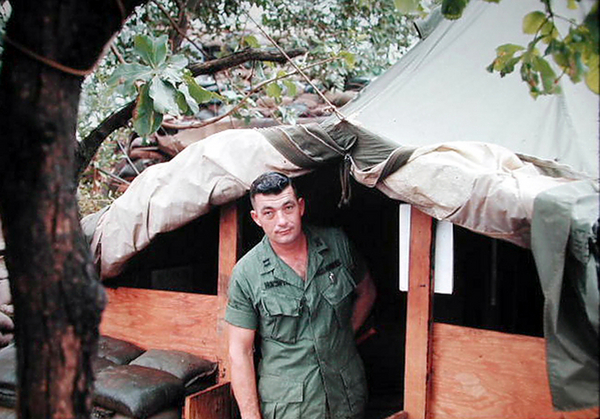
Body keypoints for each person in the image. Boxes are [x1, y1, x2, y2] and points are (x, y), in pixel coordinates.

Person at [225, 171, 377, 419]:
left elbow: (367, 291)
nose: (282, 221)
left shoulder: (337, 244)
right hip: (290, 406)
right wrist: (251, 416)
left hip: (346, 395)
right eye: (269, 213)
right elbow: (239, 352)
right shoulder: (246, 273)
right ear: (256, 218)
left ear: (301, 206)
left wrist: (343, 337)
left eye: (288, 207)